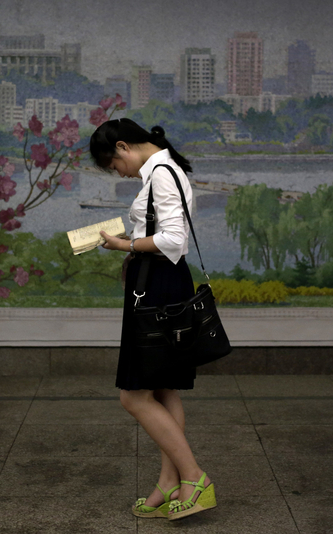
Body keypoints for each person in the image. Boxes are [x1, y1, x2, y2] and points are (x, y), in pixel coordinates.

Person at [90, 118, 216, 521]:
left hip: (159, 286)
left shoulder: (161, 174)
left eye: (113, 164)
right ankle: (170, 482)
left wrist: (122, 244)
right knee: (164, 389)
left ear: (124, 147)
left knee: (134, 395)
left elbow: (173, 241)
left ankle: (196, 478)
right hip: (159, 282)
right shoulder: (165, 171)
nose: (117, 172)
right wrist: (132, 250)